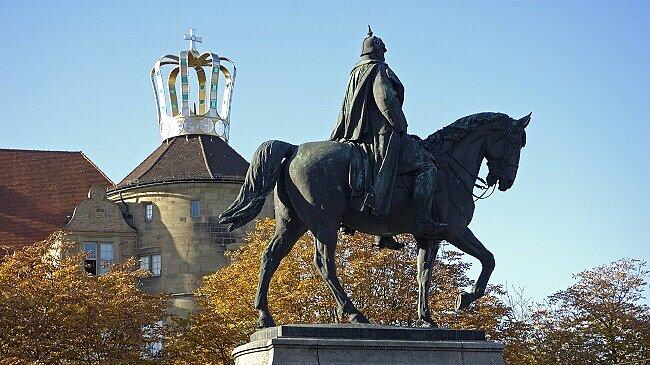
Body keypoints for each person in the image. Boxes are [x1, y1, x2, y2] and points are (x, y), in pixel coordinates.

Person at [330, 27, 446, 248]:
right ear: (378, 50)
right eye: (384, 48)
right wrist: (400, 124)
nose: (386, 51)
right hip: (380, 131)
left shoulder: (355, 71)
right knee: (426, 166)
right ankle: (421, 220)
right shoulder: (378, 69)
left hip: (354, 133)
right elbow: (385, 98)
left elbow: (345, 107)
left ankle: (383, 231)